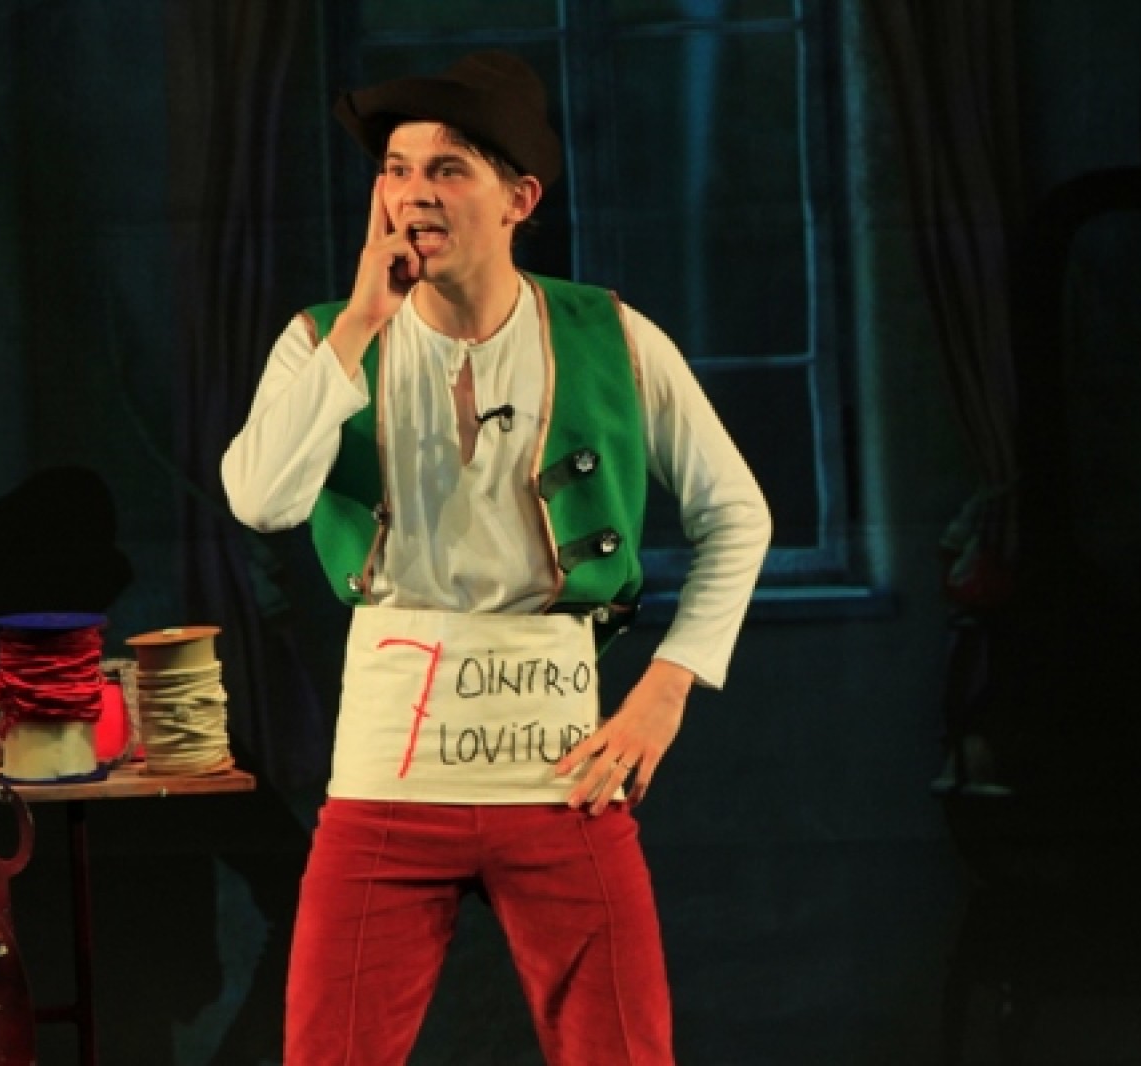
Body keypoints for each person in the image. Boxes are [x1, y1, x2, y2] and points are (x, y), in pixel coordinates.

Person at [221, 50, 771, 1066]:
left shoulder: (611, 335)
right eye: (395, 169)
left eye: (447, 168)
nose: (413, 194)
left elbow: (737, 513)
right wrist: (363, 322)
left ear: (519, 199)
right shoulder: (323, 340)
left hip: (559, 771)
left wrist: (666, 689)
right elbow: (261, 499)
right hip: (388, 772)